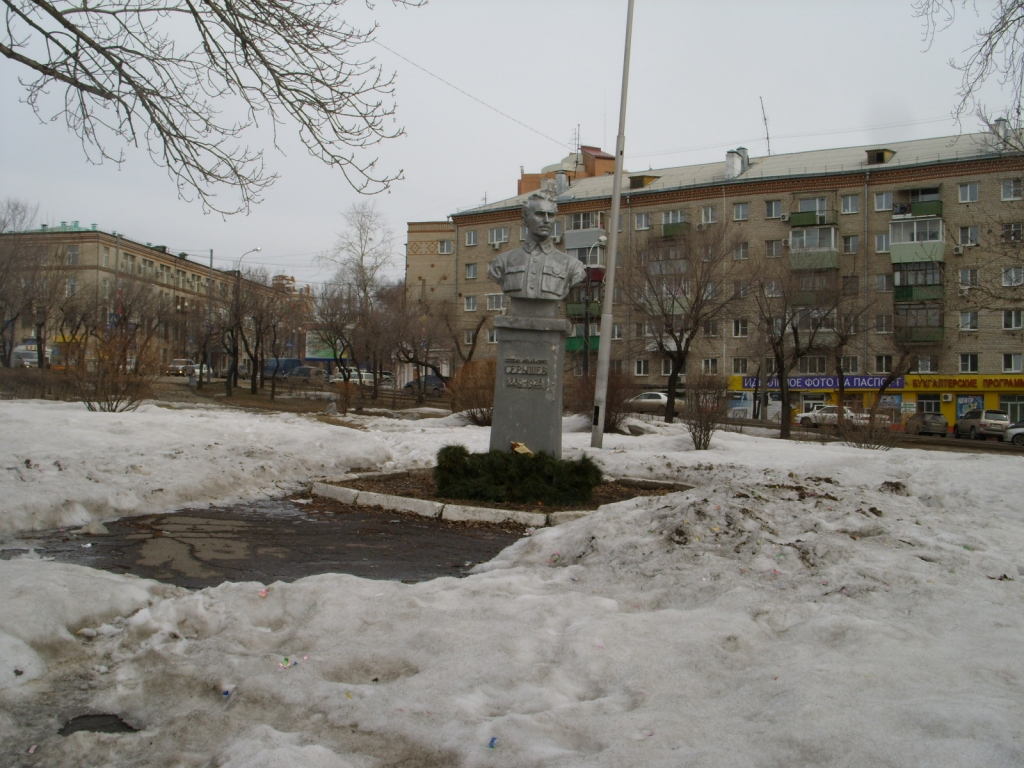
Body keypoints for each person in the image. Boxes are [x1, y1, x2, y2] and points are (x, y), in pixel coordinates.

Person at [487, 188, 586, 302]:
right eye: (540, 214)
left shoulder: (573, 266)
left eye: (551, 215)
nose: (547, 220)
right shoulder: (501, 262)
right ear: (525, 220)